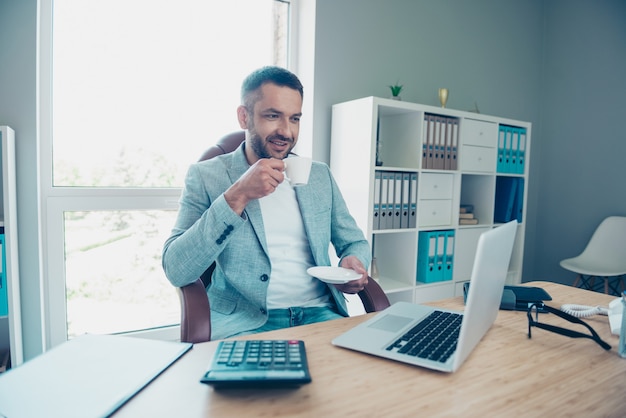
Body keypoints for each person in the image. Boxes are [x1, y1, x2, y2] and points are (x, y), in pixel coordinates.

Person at [162, 66, 371, 339]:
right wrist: (237, 196)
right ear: (244, 116)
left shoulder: (319, 175)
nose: (286, 131)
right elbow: (177, 269)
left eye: (294, 118)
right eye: (273, 116)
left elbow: (354, 241)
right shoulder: (206, 176)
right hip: (245, 322)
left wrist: (354, 262)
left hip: (321, 314)